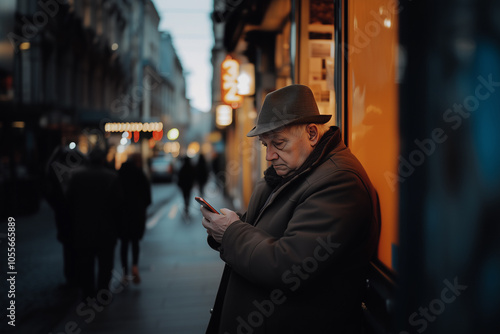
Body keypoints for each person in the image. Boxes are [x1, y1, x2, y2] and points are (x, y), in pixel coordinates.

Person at [201, 84, 380, 334]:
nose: (270, 156)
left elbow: (290, 266)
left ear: (312, 134)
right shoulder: (292, 172)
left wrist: (230, 233)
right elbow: (267, 229)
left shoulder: (339, 181)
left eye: (279, 143)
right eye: (266, 145)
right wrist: (224, 229)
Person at [66, 148, 123, 299]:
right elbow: (118, 205)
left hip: (83, 228)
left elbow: (69, 203)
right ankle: (103, 293)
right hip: (106, 229)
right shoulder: (111, 177)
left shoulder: (77, 177)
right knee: (106, 264)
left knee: (86, 264)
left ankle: (88, 294)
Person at [44, 144, 87, 287]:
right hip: (77, 216)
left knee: (69, 248)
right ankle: (79, 275)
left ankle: (72, 276)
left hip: (65, 216)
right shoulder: (78, 170)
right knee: (77, 247)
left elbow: (49, 194)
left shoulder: (54, 172)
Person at [117, 153, 152, 284]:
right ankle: (135, 267)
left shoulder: (119, 173)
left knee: (124, 244)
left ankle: (125, 273)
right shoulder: (140, 174)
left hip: (122, 214)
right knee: (135, 242)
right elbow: (148, 197)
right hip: (137, 214)